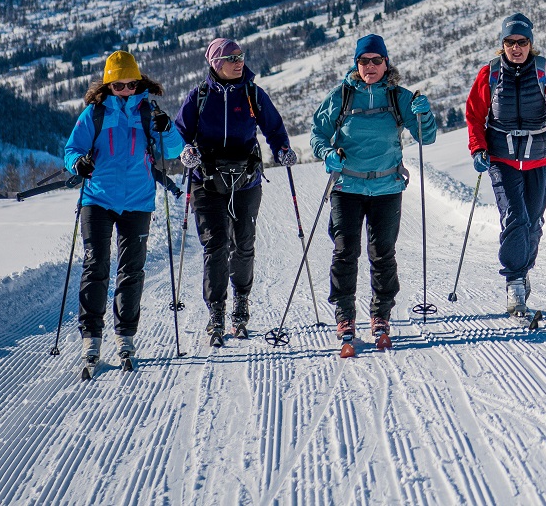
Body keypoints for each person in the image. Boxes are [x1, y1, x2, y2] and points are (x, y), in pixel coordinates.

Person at [309, 33, 439, 355]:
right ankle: (345, 317)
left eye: (376, 60)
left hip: (387, 187)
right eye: (364, 61)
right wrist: (327, 153)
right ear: (356, 64)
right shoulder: (341, 96)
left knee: (383, 253)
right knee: (345, 251)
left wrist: (424, 114)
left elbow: (427, 137)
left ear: (386, 63)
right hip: (346, 187)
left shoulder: (400, 97)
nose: (370, 66)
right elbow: (318, 134)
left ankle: (381, 316)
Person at [175, 37, 293, 345]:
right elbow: (179, 134)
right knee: (216, 245)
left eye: (240, 56)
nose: (239, 61)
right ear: (215, 64)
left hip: (246, 181)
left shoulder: (253, 93)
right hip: (207, 181)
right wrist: (186, 151)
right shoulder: (198, 97)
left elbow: (274, 127)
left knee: (243, 243)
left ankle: (241, 302)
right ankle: (216, 312)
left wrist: (282, 150)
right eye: (231, 58)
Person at [61, 50, 173, 372]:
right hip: (97, 199)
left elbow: (175, 150)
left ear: (138, 82)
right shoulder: (94, 114)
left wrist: (166, 130)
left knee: (132, 269)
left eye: (131, 84)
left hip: (138, 200)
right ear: (108, 85)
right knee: (96, 265)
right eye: (119, 85)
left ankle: (125, 335)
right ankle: (91, 337)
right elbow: (72, 150)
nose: (126, 90)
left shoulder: (148, 113)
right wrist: (78, 163)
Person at [464, 12, 546, 317]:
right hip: (502, 157)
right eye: (510, 42)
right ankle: (514, 282)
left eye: (522, 41)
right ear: (502, 44)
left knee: (534, 221)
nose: (516, 47)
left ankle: (524, 269)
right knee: (515, 217)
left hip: (539, 156)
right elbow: (475, 114)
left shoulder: (544, 71)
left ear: (530, 43)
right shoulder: (490, 73)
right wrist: (478, 148)